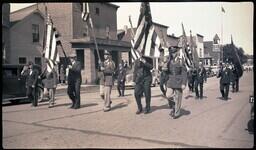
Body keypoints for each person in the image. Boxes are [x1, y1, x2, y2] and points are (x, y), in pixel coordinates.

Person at [166, 46, 187, 119]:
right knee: (168, 95)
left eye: (174, 52)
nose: (173, 54)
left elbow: (184, 73)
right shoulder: (169, 61)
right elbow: (166, 71)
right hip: (171, 81)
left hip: (179, 82)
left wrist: (184, 83)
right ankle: (174, 105)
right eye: (172, 53)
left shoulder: (181, 61)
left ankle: (177, 113)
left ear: (177, 52)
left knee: (178, 98)